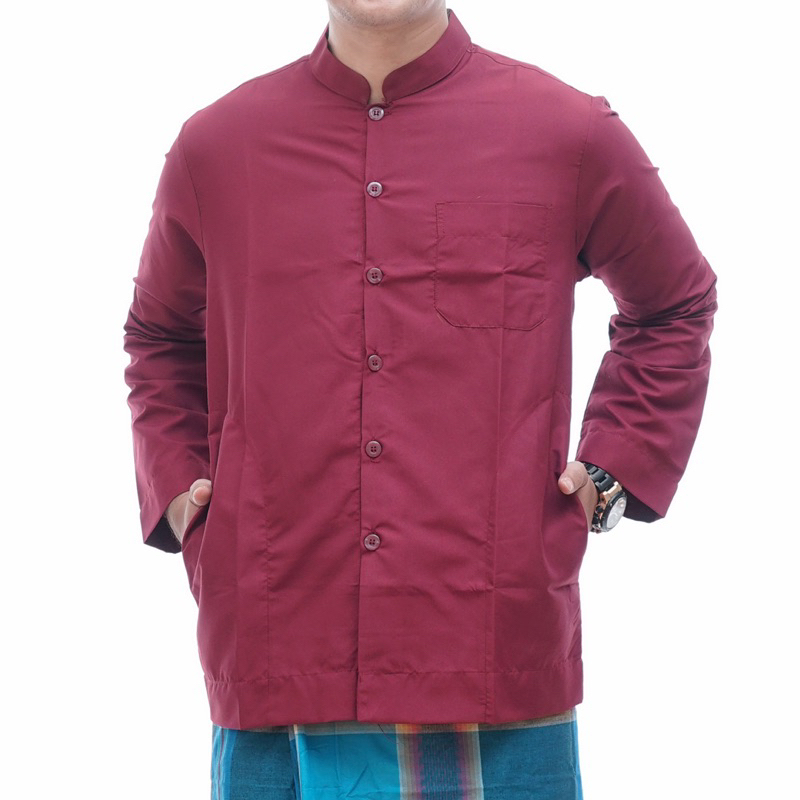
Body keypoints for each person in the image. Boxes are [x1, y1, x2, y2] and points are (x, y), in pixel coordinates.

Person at [122, 2, 717, 798]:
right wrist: (183, 497)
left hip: (493, 651)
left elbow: (675, 304)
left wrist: (611, 474)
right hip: (280, 639)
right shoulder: (219, 148)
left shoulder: (566, 133)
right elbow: (158, 336)